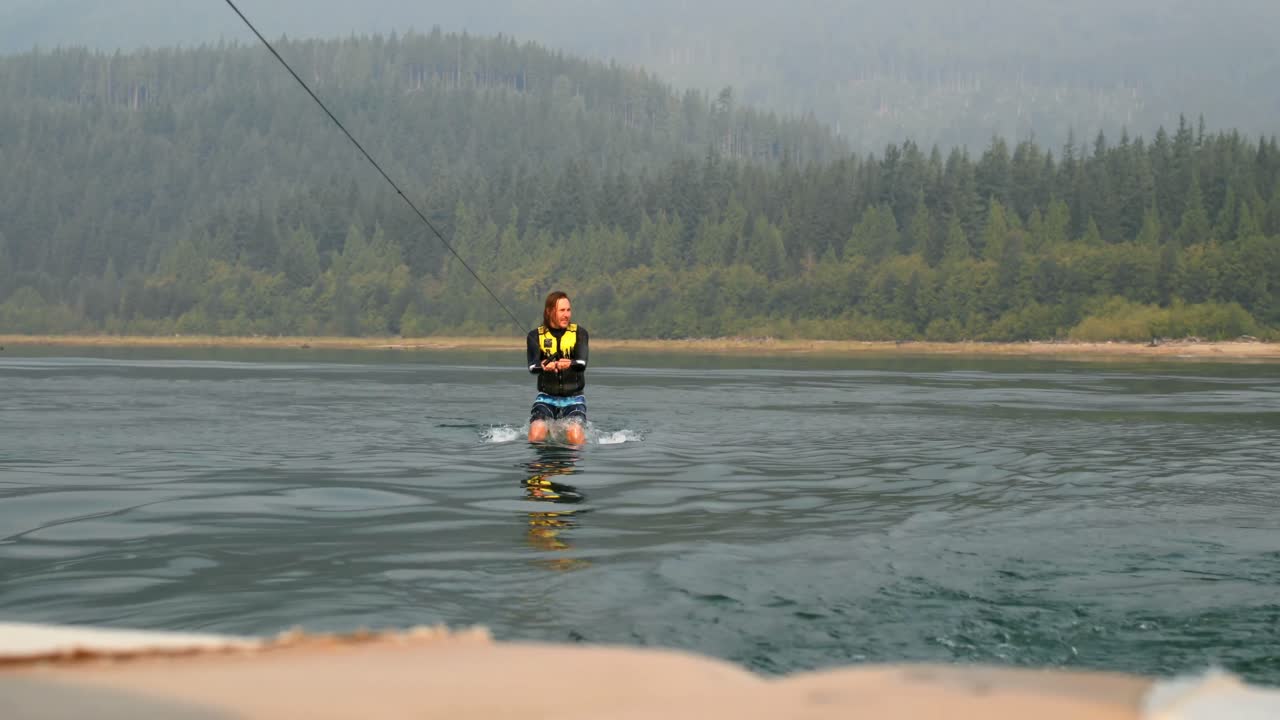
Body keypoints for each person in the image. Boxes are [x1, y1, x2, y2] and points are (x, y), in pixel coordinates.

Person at [526, 291, 589, 444]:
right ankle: (541, 466)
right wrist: (544, 366)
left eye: (568, 310)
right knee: (536, 432)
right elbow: (532, 367)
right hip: (546, 398)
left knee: (574, 433)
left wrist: (569, 363)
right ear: (549, 311)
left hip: (574, 398)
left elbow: (582, 364)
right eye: (562, 310)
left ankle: (573, 465)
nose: (566, 314)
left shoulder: (580, 333)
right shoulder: (535, 336)